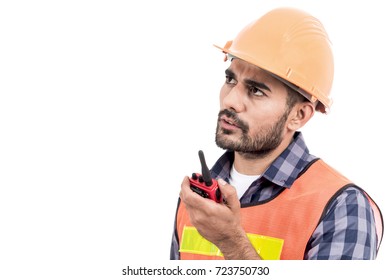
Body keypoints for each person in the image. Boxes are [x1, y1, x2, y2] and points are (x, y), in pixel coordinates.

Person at [170, 7, 384, 260]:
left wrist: (231, 242)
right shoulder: (198, 197)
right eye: (230, 80)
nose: (231, 100)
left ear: (299, 116)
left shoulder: (342, 206)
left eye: (256, 91)